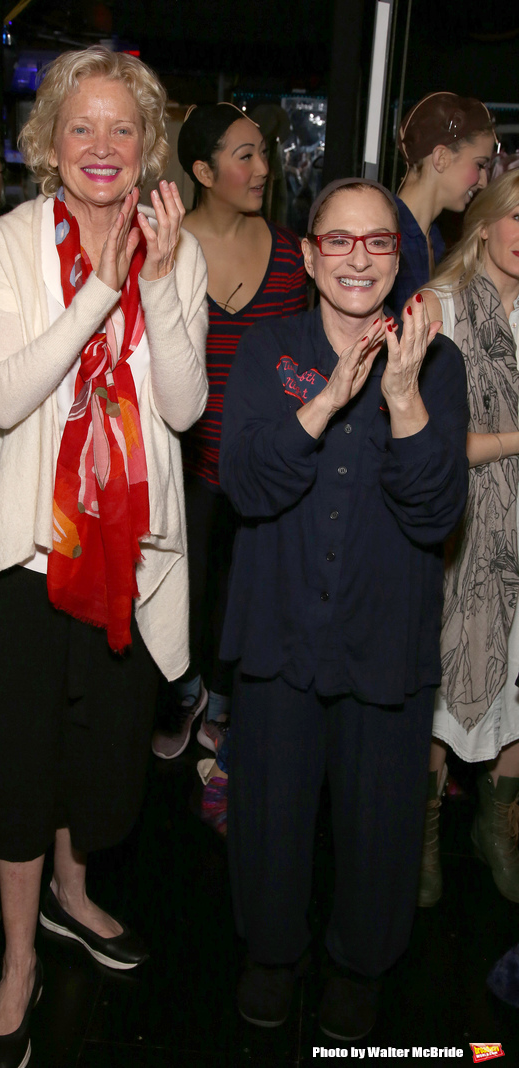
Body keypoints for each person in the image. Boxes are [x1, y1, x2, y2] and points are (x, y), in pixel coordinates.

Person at [0, 45, 207, 1068]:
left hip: (120, 554)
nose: (100, 146)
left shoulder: (176, 241)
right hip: (20, 554)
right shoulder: (12, 240)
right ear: (49, 142)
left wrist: (162, 285)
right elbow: (0, 395)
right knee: (14, 768)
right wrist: (102, 291)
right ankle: (16, 962)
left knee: (97, 757)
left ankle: (76, 897)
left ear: (146, 146)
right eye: (79, 126)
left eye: (121, 127)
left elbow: (180, 407)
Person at [219, 177, 469, 1038]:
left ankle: (360, 965)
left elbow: (437, 512)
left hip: (382, 631)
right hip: (279, 623)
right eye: (340, 240)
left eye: (377, 242)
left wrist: (401, 399)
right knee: (271, 811)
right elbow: (247, 487)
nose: (357, 258)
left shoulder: (439, 362)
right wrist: (327, 397)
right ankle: (272, 953)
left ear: (399, 257)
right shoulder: (267, 349)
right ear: (311, 252)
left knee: (380, 818)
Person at [151, 102, 307, 761]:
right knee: (176, 599)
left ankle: (224, 708)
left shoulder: (294, 255)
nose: (263, 168)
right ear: (202, 171)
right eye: (245, 155)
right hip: (180, 462)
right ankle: (183, 696)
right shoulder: (166, 248)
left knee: (246, 603)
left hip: (263, 466)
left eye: (263, 153)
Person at [418, 169, 519, 906]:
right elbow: (431, 444)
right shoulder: (438, 309)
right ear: (484, 221)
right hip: (457, 525)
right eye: (518, 218)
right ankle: (418, 834)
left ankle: (496, 827)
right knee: (443, 677)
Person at [389, 91, 496, 316]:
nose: (484, 182)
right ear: (441, 158)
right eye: (479, 165)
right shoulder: (388, 239)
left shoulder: (433, 239)